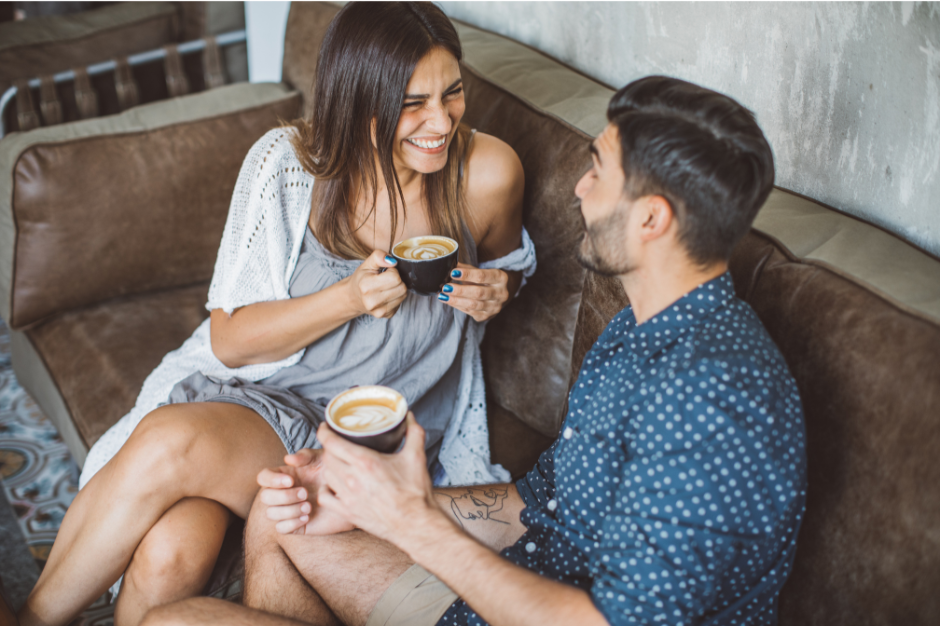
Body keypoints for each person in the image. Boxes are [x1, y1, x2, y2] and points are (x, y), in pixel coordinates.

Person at [141, 75, 808, 626]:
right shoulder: (641, 330)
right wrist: (387, 498)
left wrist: (409, 524)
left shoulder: (713, 394)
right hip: (506, 589)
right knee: (294, 510)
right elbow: (544, 504)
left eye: (598, 171)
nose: (578, 188)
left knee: (170, 624)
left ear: (651, 218)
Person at [17, 3, 535, 626]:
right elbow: (230, 341)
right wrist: (346, 299)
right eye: (411, 103)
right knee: (167, 484)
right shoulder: (287, 166)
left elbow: (509, 271)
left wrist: (497, 289)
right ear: (359, 101)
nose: (440, 121)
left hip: (372, 435)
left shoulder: (488, 173)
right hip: (269, 403)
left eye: (452, 93)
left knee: (169, 549)